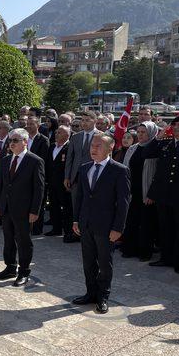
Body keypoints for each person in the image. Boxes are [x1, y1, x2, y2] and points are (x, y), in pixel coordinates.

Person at [72, 134, 131, 314]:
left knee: (105, 263)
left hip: (106, 227)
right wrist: (76, 220)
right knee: (88, 262)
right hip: (86, 224)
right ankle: (90, 293)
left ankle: (103, 296)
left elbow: (123, 202)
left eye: (98, 145)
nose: (93, 149)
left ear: (110, 147)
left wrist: (117, 228)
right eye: (92, 145)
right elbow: (80, 197)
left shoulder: (119, 170)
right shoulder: (84, 168)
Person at [0, 128, 45, 287]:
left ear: (25, 142)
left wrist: (35, 210)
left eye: (15, 140)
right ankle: (10, 268)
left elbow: (39, 188)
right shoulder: (5, 160)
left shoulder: (35, 161)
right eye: (10, 140)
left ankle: (24, 272)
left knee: (23, 241)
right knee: (8, 239)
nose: (11, 143)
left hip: (24, 209)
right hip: (6, 207)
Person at [144, 115, 179, 274]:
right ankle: (166, 258)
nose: (177, 127)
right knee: (165, 228)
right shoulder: (165, 144)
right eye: (174, 125)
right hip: (164, 196)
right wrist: (159, 136)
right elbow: (147, 153)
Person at [120, 122, 158, 261]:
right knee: (131, 220)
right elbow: (125, 169)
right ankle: (130, 248)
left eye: (144, 132)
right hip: (133, 191)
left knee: (146, 223)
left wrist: (151, 194)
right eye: (139, 132)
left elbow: (157, 175)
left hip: (147, 192)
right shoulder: (132, 148)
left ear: (151, 133)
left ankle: (144, 252)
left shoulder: (156, 149)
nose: (140, 135)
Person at [45, 125, 77, 241]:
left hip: (64, 184)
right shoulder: (52, 146)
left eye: (59, 132)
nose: (56, 134)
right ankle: (56, 228)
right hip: (52, 183)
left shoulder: (70, 147)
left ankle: (68, 231)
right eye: (56, 132)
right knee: (54, 206)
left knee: (67, 208)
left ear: (67, 135)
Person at [64, 111, 101, 204]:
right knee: (76, 204)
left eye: (87, 120)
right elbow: (70, 158)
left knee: (91, 204)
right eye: (83, 120)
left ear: (95, 121)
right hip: (76, 177)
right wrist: (67, 177)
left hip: (93, 175)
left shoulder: (102, 136)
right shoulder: (75, 137)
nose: (84, 123)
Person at [25, 115, 50, 235]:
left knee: (37, 202)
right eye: (27, 124)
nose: (28, 126)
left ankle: (37, 228)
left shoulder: (43, 140)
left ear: (38, 126)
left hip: (36, 175)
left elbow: (43, 160)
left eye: (31, 124)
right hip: (24, 176)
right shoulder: (24, 139)